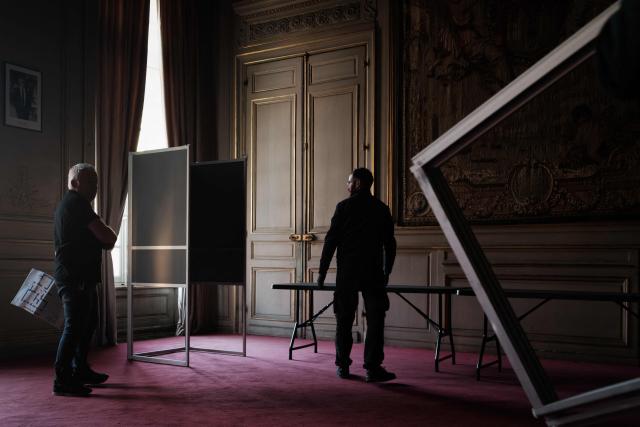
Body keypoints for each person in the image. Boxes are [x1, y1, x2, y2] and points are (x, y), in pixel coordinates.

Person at [317, 167, 397, 382]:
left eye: (350, 181)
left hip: (348, 273)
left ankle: (343, 366)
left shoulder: (343, 207)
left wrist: (322, 273)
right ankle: (373, 367)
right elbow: (390, 244)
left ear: (358, 183)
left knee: (343, 320)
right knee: (376, 320)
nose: (347, 185)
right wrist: (387, 270)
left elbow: (330, 242)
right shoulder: (381, 208)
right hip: (373, 273)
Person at [53, 163, 117, 396]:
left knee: (86, 324)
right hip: (75, 278)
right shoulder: (78, 204)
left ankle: (79, 370)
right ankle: (62, 380)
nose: (96, 188)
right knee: (74, 327)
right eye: (91, 182)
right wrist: (104, 231)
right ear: (75, 183)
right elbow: (108, 238)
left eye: (97, 183)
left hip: (77, 276)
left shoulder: (69, 205)